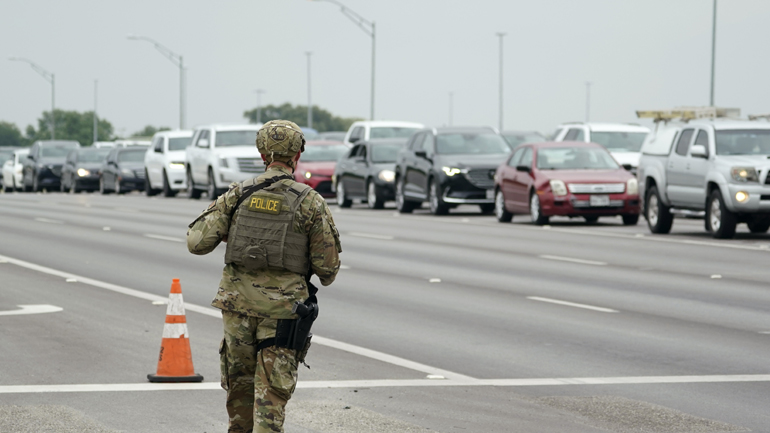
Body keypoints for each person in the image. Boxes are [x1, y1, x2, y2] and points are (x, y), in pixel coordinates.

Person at [186, 120, 342, 433]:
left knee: (240, 394)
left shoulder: (238, 194)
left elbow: (197, 242)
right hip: (283, 315)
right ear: (298, 155)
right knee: (270, 400)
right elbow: (327, 270)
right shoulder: (310, 202)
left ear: (262, 154)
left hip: (237, 309)